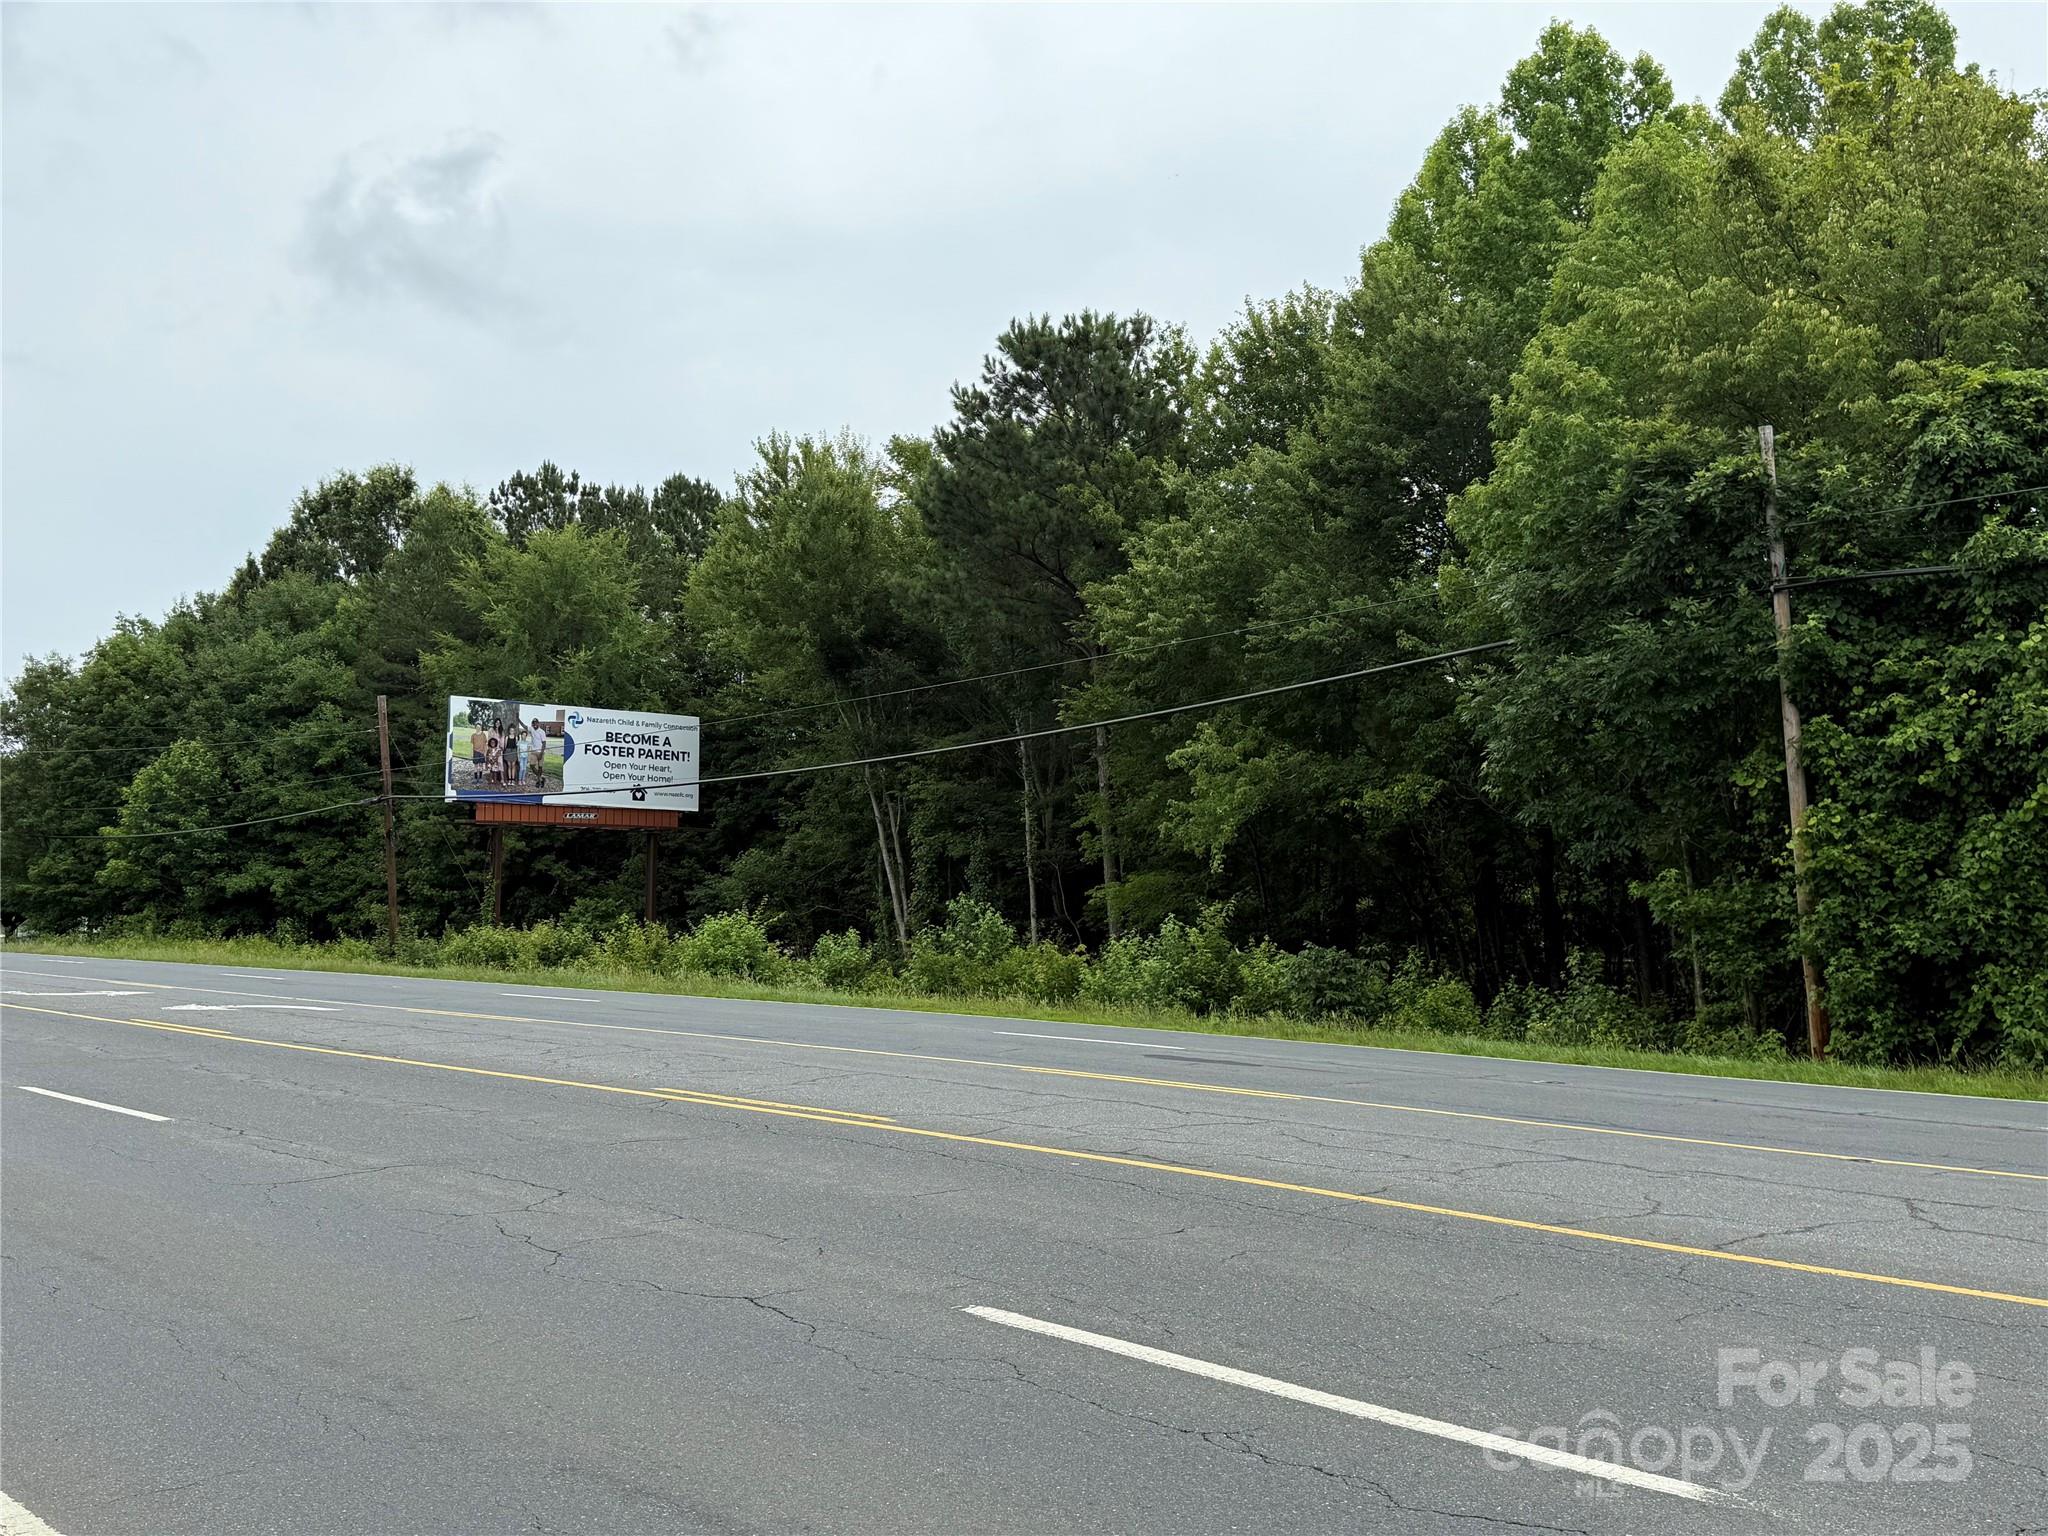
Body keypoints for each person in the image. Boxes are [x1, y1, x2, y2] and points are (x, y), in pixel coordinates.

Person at [528, 717, 548, 790]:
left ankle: (538, 781)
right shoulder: (531, 729)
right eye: (533, 723)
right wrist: (518, 719)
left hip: (541, 752)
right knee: (532, 765)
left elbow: (544, 743)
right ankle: (541, 778)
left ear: (538, 723)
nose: (534, 724)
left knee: (540, 767)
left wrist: (541, 753)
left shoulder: (542, 732)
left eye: (536, 723)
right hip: (533, 751)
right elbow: (524, 726)